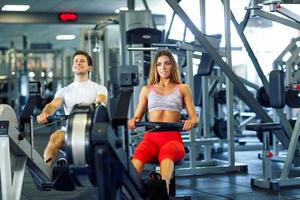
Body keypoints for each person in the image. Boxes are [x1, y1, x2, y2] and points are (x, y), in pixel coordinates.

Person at [128, 50, 198, 193]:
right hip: (151, 139)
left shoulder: (183, 88)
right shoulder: (147, 89)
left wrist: (191, 122)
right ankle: (130, 192)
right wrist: (133, 121)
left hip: (172, 140)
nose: (163, 68)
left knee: (167, 152)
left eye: (167, 64)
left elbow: (194, 119)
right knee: (139, 153)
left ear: (172, 66)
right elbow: (137, 117)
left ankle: (162, 192)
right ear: (155, 68)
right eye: (159, 64)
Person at [37, 50, 108, 166]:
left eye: (82, 61)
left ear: (89, 68)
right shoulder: (64, 91)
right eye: (75, 61)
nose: (78, 63)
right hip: (70, 133)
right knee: (55, 137)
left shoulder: (99, 88)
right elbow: (52, 105)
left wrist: (91, 109)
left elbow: (100, 102)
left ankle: (71, 159)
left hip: (92, 132)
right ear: (72, 67)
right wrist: (45, 113)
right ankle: (45, 176)